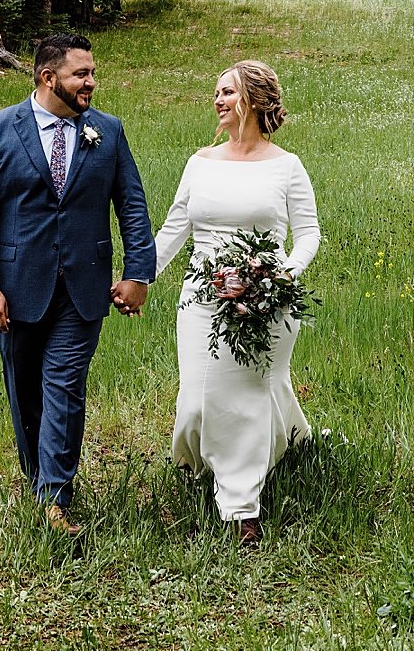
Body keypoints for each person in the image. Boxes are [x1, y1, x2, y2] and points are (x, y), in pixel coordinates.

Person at [0, 32, 156, 535]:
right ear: (48, 78)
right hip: (17, 288)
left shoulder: (107, 131)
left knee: (65, 385)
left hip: (84, 287)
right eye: (80, 74)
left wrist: (137, 273)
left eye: (91, 73)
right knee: (25, 392)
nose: (91, 82)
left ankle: (54, 498)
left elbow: (131, 204)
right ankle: (37, 477)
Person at [150, 59, 320, 544]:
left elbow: (308, 234)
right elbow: (175, 228)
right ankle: (229, 455)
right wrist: (139, 278)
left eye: (228, 92)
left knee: (242, 400)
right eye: (217, 92)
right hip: (201, 298)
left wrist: (276, 276)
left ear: (254, 100)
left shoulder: (287, 167)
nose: (218, 100)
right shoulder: (200, 161)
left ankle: (242, 507)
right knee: (196, 402)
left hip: (265, 300)